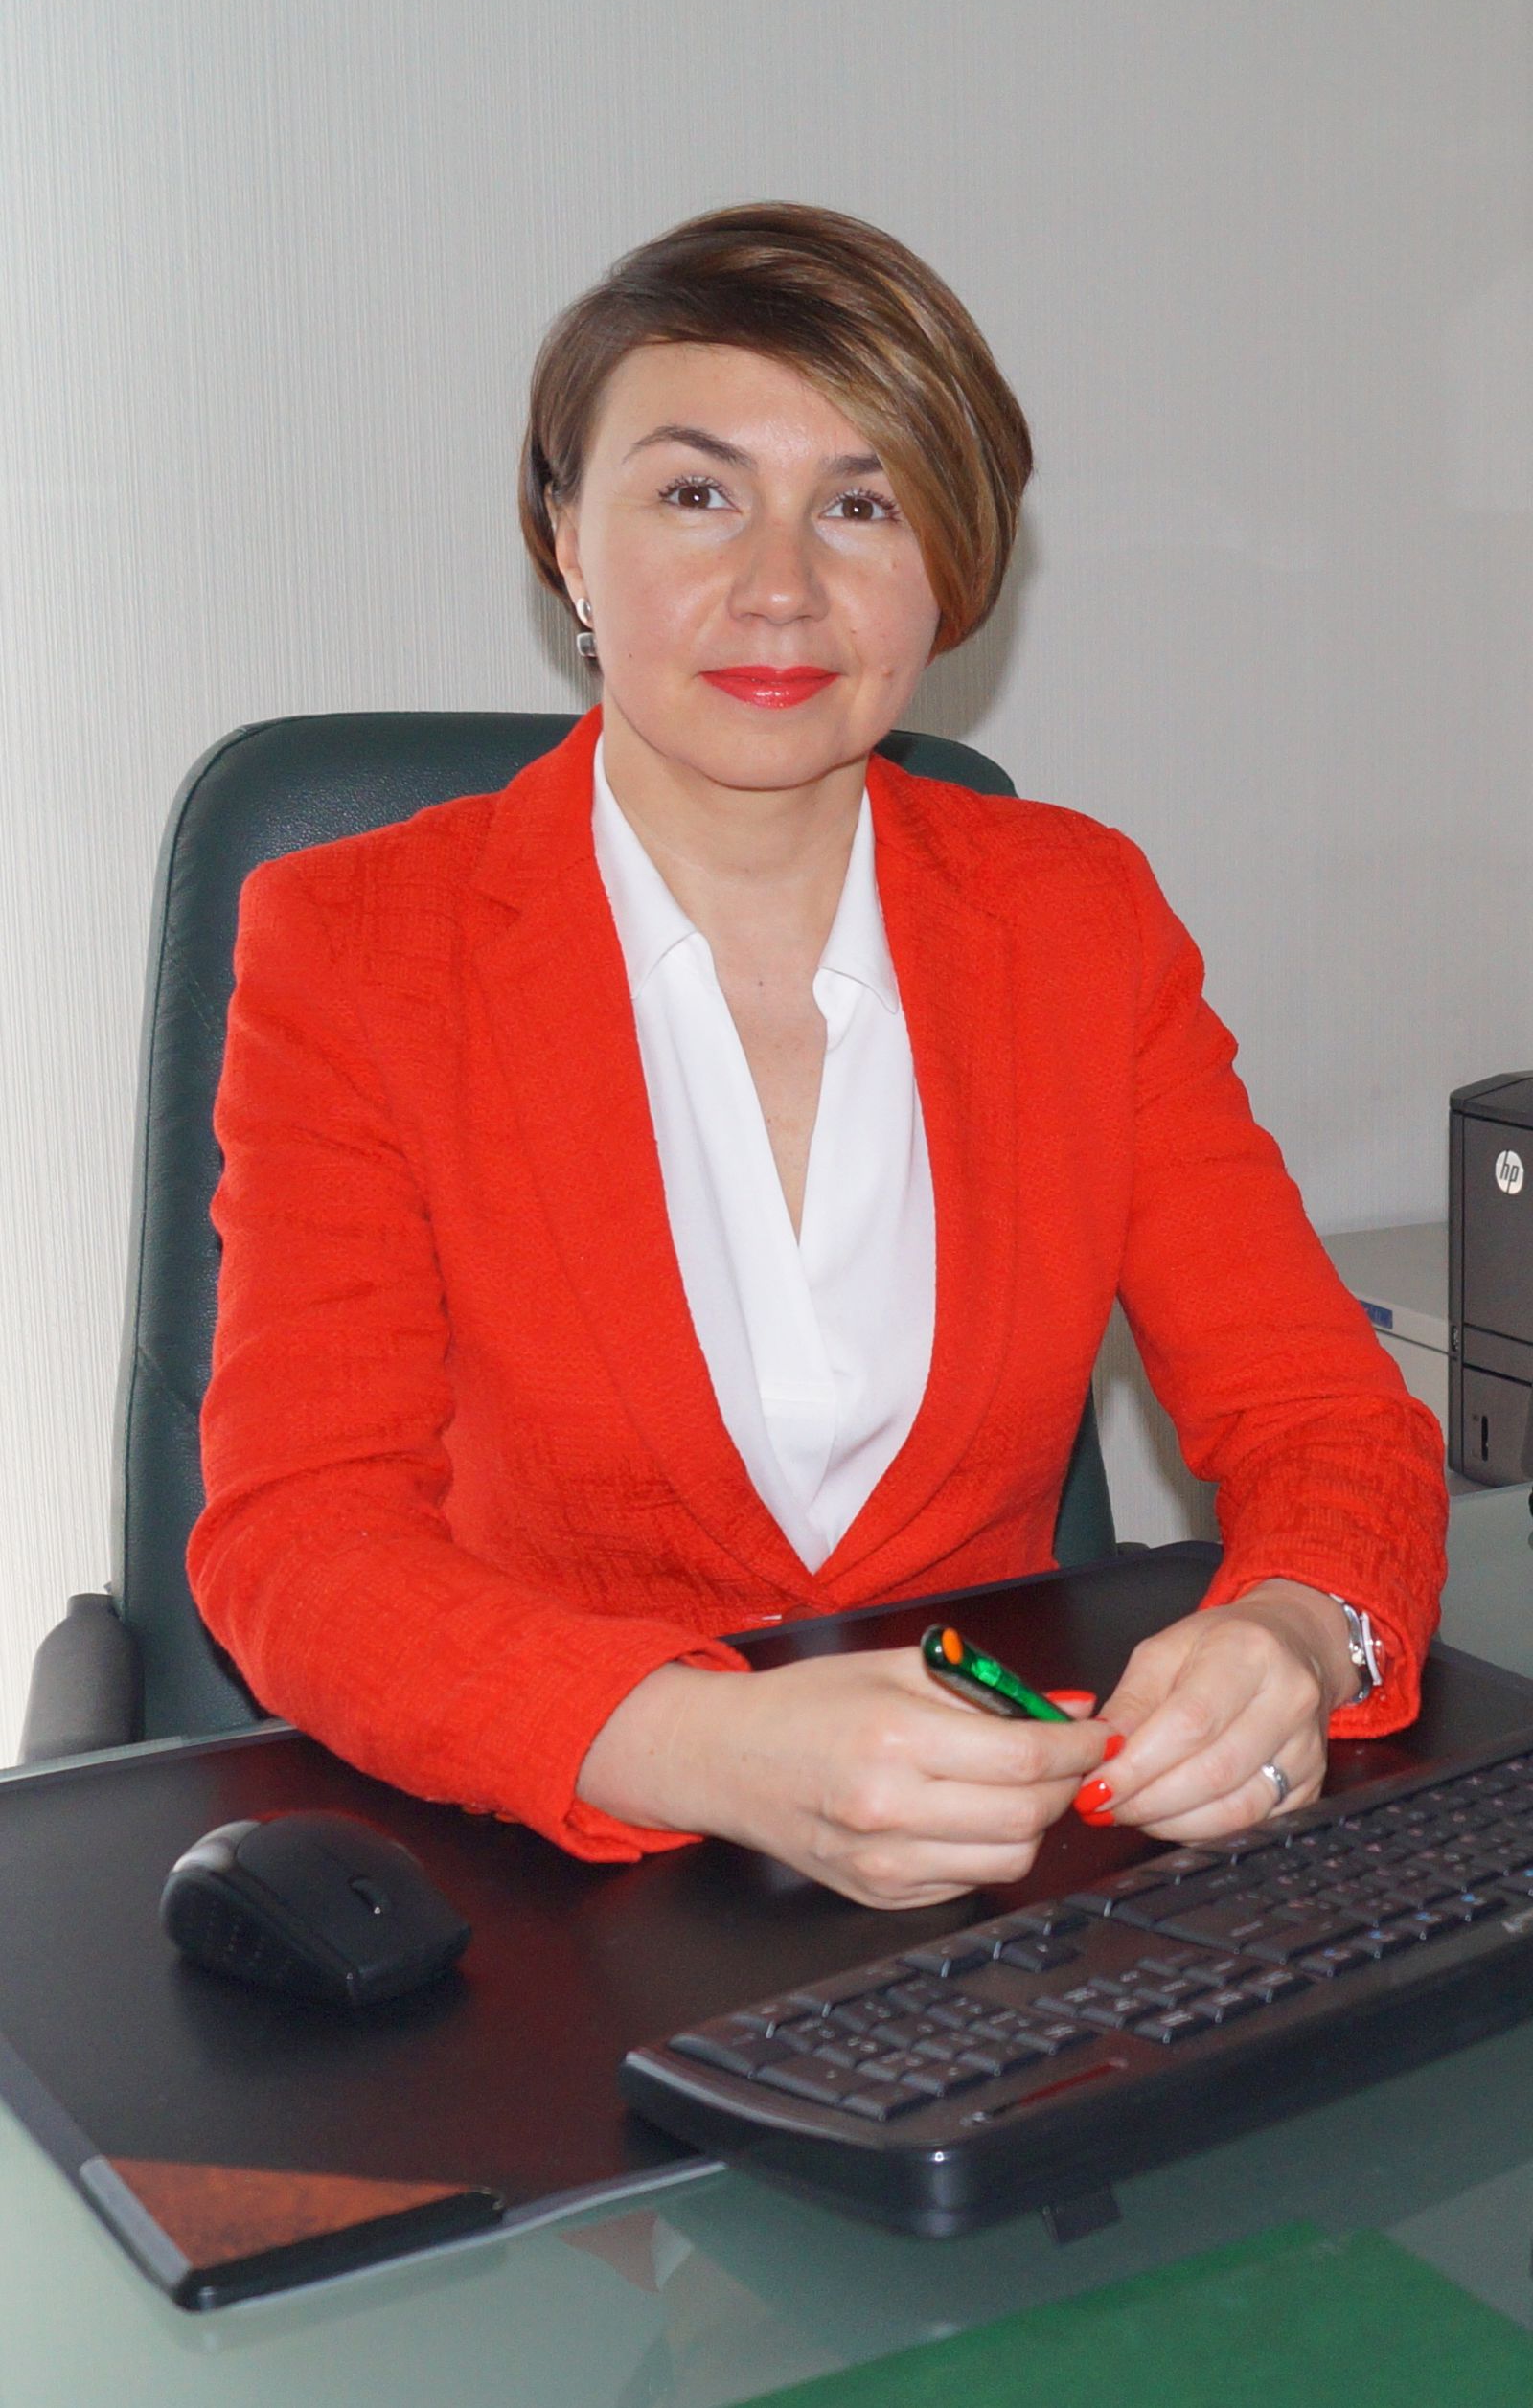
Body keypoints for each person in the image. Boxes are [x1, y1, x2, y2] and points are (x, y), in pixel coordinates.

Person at [189, 203, 1448, 1911]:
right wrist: (702, 1744)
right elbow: (303, 1538)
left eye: (861, 505)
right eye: (696, 495)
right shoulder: (355, 944)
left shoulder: (1077, 920)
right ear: (565, 538)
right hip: (553, 1900)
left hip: (997, 1878)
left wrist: (1296, 1629)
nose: (779, 588)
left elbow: (1322, 1415)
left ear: (953, 566)